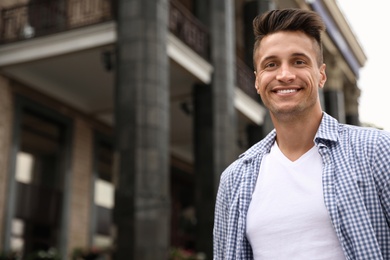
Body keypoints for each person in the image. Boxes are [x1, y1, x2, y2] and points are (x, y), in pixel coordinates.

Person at [213, 8, 390, 260]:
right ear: (257, 80)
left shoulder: (377, 151)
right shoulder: (234, 179)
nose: (285, 75)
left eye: (299, 61)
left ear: (321, 74)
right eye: (271, 64)